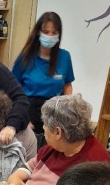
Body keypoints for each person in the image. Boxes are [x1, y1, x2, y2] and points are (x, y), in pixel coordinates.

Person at [6, 94, 110, 185]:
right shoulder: (54, 148)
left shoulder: (95, 163)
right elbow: (28, 167)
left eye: (45, 125)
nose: (43, 129)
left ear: (58, 132)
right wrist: (15, 178)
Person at [12, 12, 74, 149]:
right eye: (46, 32)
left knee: (51, 152)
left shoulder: (64, 57)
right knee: (29, 153)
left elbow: (67, 85)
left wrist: (67, 109)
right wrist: (21, 117)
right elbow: (13, 90)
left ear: (59, 34)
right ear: (38, 32)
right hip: (29, 111)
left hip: (54, 112)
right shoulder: (24, 58)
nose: (50, 36)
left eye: (54, 32)